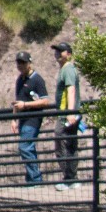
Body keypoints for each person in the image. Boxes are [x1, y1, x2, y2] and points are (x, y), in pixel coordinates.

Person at [12, 50, 51, 184]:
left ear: (29, 63)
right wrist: (14, 119)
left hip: (33, 119)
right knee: (27, 147)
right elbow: (17, 102)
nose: (20, 65)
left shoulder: (37, 80)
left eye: (23, 62)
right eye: (18, 63)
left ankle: (35, 179)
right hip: (22, 119)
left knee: (25, 146)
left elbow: (45, 101)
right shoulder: (20, 80)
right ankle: (31, 179)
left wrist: (26, 105)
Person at [51, 42, 83, 188]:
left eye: (61, 51)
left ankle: (69, 178)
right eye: (56, 51)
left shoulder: (68, 69)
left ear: (68, 54)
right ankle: (71, 178)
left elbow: (71, 90)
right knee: (69, 144)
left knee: (61, 143)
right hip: (67, 113)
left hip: (66, 114)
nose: (57, 53)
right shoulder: (65, 69)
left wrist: (70, 112)